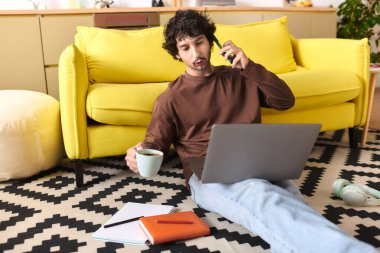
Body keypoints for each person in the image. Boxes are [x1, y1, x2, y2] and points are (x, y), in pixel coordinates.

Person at [125, 10, 376, 253]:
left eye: (199, 42)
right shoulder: (170, 98)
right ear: (177, 54)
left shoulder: (240, 76)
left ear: (211, 42)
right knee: (265, 198)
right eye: (185, 48)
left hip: (256, 163)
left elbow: (284, 100)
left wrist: (250, 66)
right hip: (209, 174)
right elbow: (154, 145)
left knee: (291, 201)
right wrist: (138, 154)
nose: (195, 53)